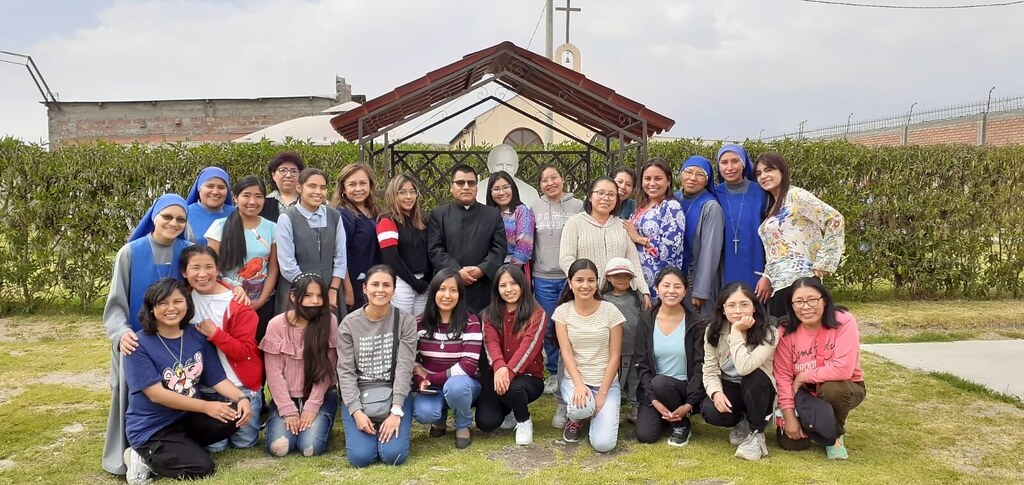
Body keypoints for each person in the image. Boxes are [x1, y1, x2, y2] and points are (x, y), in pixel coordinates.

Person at [121, 279, 253, 483]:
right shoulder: (138, 344)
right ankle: (141, 456)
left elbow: (216, 378)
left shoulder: (196, 335)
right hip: (153, 428)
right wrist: (207, 407)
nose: (171, 308)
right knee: (203, 468)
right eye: (162, 303)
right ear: (151, 308)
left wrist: (242, 397)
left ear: (187, 304)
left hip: (187, 418)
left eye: (177, 301)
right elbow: (156, 395)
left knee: (236, 412)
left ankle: (181, 448)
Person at [102, 194, 193, 475]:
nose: (173, 223)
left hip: (177, 340)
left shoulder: (190, 250)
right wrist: (121, 333)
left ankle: (168, 448)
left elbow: (204, 284)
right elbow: (116, 302)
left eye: (180, 219)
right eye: (167, 216)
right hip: (137, 340)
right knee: (130, 394)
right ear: (154, 217)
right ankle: (126, 453)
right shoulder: (129, 252)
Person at [557, 176, 649, 428]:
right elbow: (566, 258)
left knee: (615, 349)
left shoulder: (621, 226)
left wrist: (644, 290)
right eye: (600, 192)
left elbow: (633, 262)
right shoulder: (575, 223)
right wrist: (585, 285)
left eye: (612, 194)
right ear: (590, 195)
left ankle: (618, 397)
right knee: (573, 343)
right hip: (583, 296)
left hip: (617, 299)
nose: (606, 198)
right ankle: (564, 402)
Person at [179, 245, 263, 452]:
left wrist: (216, 334)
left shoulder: (238, 302)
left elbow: (244, 351)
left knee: (244, 444)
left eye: (209, 267)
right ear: (184, 272)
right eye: (195, 268)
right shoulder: (182, 302)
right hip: (206, 391)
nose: (202, 274)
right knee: (215, 447)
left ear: (218, 270)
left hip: (241, 385)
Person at [774, 277, 865, 460]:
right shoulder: (785, 331)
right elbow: (783, 377)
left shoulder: (843, 321)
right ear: (791, 305)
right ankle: (815, 425)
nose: (805, 307)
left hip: (844, 387)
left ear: (824, 299)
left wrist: (803, 376)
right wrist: (789, 416)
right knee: (794, 444)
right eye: (798, 302)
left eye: (812, 300)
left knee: (832, 388)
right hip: (804, 395)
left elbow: (843, 370)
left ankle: (835, 435)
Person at [336, 265, 418, 467]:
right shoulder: (348, 324)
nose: (380, 290)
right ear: (364, 288)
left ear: (394, 290)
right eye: (375, 284)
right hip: (360, 394)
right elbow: (345, 372)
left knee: (393, 456)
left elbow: (405, 367)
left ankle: (387, 429)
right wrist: (356, 411)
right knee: (360, 458)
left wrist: (396, 410)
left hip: (393, 392)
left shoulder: (405, 321)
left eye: (386, 285)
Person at [755, 153, 845, 319]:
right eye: (759, 173)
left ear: (782, 171)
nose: (763, 176)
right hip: (779, 285)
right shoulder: (775, 204)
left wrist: (825, 262)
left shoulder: (797, 196)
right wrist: (767, 276)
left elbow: (835, 219)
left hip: (801, 282)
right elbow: (778, 246)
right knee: (785, 340)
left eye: (768, 170)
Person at [261, 274, 340, 457]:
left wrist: (311, 407)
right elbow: (274, 373)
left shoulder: (330, 322)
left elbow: (327, 370)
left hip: (319, 395)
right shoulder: (276, 325)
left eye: (320, 296)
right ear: (293, 297)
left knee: (309, 448)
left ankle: (319, 424)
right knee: (278, 448)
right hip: (286, 397)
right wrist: (288, 411)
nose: (315, 301)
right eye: (308, 295)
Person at [700, 282, 778, 461]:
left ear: (754, 308)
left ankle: (756, 433)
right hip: (733, 388)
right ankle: (743, 420)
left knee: (753, 375)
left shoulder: (768, 332)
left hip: (759, 389)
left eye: (744, 305)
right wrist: (716, 393)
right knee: (710, 410)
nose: (738, 311)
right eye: (731, 305)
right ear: (723, 309)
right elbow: (710, 368)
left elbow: (745, 367)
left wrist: (736, 332)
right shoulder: (713, 331)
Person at [554, 259, 625, 453]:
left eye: (591, 280)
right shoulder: (562, 312)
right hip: (575, 381)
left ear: (597, 282)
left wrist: (602, 395)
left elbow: (615, 356)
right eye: (579, 280)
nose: (585, 285)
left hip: (606, 384)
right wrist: (578, 384)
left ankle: (596, 413)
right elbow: (566, 353)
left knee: (604, 445)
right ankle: (576, 418)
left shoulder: (611, 311)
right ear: (570, 283)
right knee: (581, 407)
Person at [412, 269, 484, 449]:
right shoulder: (419, 323)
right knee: (423, 413)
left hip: (463, 383)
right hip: (431, 386)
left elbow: (467, 366)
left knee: (456, 386)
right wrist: (420, 379)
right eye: (442, 289)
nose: (447, 295)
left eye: (453, 290)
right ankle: (439, 420)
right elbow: (409, 359)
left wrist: (430, 378)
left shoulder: (471, 322)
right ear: (433, 292)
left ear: (460, 295)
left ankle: (463, 424)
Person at [634, 268, 706, 447]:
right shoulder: (646, 320)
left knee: (661, 383)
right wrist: (654, 401)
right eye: (666, 286)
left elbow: (700, 366)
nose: (671, 291)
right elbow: (642, 364)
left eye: (677, 286)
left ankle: (681, 424)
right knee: (645, 435)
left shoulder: (696, 323)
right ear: (656, 289)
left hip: (684, 389)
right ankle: (670, 417)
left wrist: (689, 405)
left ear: (685, 291)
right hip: (654, 390)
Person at [476, 265, 547, 445]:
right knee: (486, 422)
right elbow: (490, 343)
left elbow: (528, 348)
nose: (509, 290)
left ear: (522, 285)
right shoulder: (489, 314)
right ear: (497, 289)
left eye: (513, 284)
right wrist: (499, 366)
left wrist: (508, 371)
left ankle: (523, 420)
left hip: (529, 378)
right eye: (503, 285)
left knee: (514, 388)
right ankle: (509, 409)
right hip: (499, 375)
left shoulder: (537, 313)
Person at [529, 164, 582, 397]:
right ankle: (553, 371)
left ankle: (576, 370)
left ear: (562, 179)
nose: (550, 183)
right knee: (550, 326)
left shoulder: (578, 206)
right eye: (544, 180)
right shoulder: (534, 208)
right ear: (539, 185)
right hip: (543, 277)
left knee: (575, 325)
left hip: (572, 277)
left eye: (554, 178)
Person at [205, 175, 278, 344]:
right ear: (235, 198)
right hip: (228, 300)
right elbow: (211, 268)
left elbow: (273, 268)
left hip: (263, 303)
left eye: (258, 196)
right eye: (246, 195)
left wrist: (259, 302)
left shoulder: (272, 228)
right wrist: (234, 288)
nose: (252, 201)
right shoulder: (219, 226)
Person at [427, 164, 508, 314]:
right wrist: (456, 271)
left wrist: (481, 269)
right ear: (451, 187)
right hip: (449, 288)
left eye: (471, 183)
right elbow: (435, 249)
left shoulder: (492, 215)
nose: (466, 187)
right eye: (460, 183)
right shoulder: (439, 215)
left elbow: (500, 248)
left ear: (477, 187)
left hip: (483, 288)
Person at [275, 168, 348, 322]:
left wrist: (333, 289)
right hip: (297, 288)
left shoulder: (334, 216)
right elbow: (287, 264)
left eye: (323, 187)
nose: (318, 191)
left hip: (330, 285)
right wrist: (310, 293)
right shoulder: (287, 218)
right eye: (312, 186)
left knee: (329, 336)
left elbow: (341, 258)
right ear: (299, 188)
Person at [715, 144, 772, 302]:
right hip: (725, 262)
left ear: (744, 163)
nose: (729, 167)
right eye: (724, 162)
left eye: (735, 161)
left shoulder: (761, 192)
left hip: (756, 259)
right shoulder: (714, 193)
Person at [624, 158, 685, 299]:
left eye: (658, 178)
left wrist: (639, 238)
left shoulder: (671, 207)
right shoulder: (640, 208)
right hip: (637, 281)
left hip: (659, 283)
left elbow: (672, 248)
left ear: (668, 181)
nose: (652, 183)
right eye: (647, 178)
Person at [377, 174, 432, 318]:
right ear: (393, 195)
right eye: (402, 192)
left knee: (420, 329)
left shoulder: (421, 222)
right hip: (401, 283)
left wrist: (425, 281)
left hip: (423, 284)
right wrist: (414, 283)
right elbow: (391, 258)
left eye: (412, 192)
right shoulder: (387, 221)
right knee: (401, 327)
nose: (409, 196)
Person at [677, 156, 724, 318]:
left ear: (707, 180)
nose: (692, 178)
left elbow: (710, 251)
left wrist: (701, 291)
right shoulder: (675, 199)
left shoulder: (711, 207)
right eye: (688, 172)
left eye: (700, 174)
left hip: (695, 280)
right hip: (676, 280)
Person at [332, 163, 381, 311]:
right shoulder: (341, 215)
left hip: (376, 281)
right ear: (343, 188)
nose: (358, 189)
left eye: (363, 183)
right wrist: (348, 291)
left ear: (370, 186)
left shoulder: (375, 211)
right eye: (352, 184)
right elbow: (340, 255)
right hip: (355, 284)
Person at [599, 257, 644, 423]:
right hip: (611, 350)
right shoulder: (602, 299)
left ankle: (635, 406)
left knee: (634, 378)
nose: (622, 279)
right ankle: (614, 406)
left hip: (634, 348)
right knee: (614, 378)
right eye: (617, 276)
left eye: (626, 276)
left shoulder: (637, 298)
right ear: (608, 278)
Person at [486, 170, 535, 269]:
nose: (501, 192)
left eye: (505, 187)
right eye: (496, 189)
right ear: (490, 192)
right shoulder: (487, 213)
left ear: (513, 188)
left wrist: (510, 270)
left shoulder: (522, 211)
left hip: (516, 268)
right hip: (490, 266)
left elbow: (524, 245)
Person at [185, 167, 235, 246]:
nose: (215, 192)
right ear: (199, 188)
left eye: (221, 187)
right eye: (210, 186)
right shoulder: (185, 214)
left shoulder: (237, 214)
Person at [261, 150, 306, 224]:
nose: (288, 175)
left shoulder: (308, 200)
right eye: (283, 170)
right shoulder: (264, 203)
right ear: (273, 175)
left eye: (294, 171)